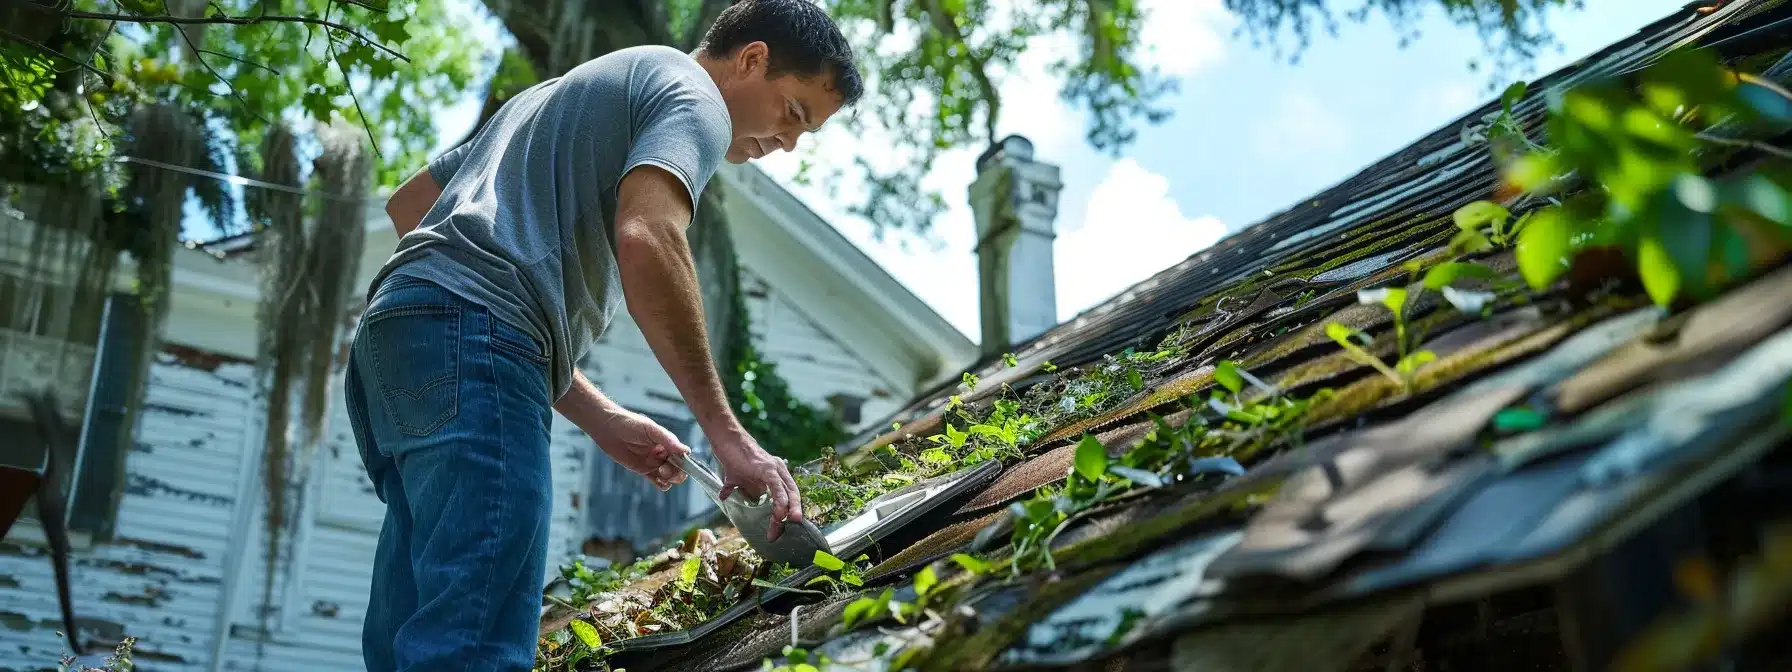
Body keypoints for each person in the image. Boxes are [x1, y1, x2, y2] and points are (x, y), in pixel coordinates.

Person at [342, 1, 864, 669]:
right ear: (752, 59)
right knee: (472, 646)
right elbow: (649, 237)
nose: (787, 144)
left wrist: (603, 417)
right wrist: (730, 439)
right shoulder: (693, 95)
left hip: (399, 336)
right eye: (792, 113)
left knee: (420, 626)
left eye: (805, 134)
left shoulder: (557, 97)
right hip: (474, 341)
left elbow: (411, 205)